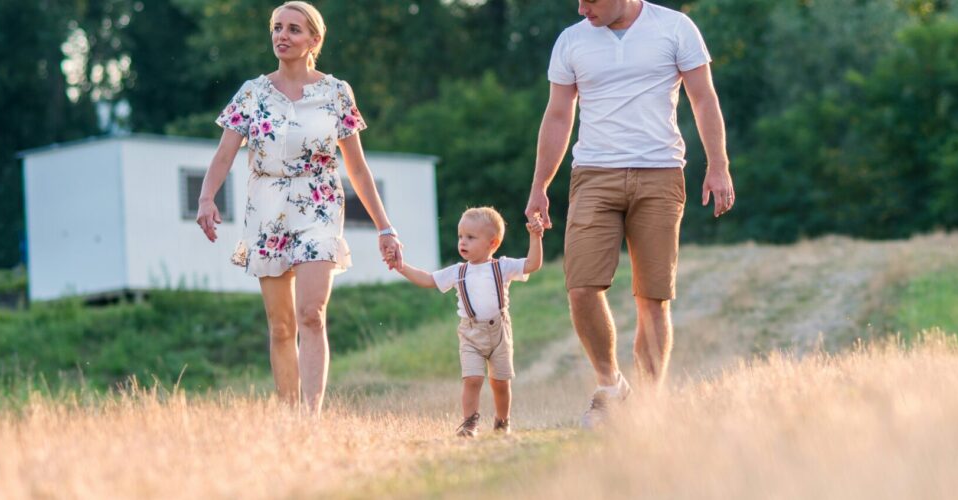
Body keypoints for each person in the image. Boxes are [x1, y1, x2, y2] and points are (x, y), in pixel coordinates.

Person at [522, 0, 735, 429]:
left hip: (661, 173)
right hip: (593, 174)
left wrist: (718, 164)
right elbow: (559, 115)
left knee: (652, 298)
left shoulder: (676, 28)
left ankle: (651, 407)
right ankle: (611, 386)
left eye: (590, 0)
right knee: (581, 286)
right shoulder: (571, 41)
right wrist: (539, 185)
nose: (582, 9)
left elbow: (703, 98)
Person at [195, 1, 402, 414]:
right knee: (281, 324)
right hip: (266, 209)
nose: (282, 36)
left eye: (293, 29)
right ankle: (289, 417)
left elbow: (357, 168)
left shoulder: (336, 93)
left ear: (314, 40)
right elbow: (223, 155)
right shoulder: (252, 93)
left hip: (319, 205)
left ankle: (311, 416)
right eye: (277, 28)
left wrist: (384, 227)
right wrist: (206, 197)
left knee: (311, 314)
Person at [393, 207, 544, 437]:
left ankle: (503, 422)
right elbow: (427, 280)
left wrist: (536, 236)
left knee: (500, 383)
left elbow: (533, 264)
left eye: (471, 238)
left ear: (492, 243)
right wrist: (400, 266)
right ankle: (469, 423)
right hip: (470, 333)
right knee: (472, 379)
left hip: (500, 332)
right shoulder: (458, 271)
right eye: (460, 236)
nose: (462, 242)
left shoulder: (502, 267)